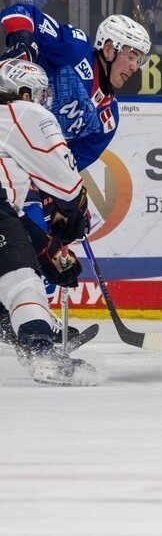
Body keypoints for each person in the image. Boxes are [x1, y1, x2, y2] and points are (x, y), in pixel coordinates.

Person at [0, 58, 96, 386]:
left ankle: (19, 323)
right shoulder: (22, 113)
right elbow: (67, 185)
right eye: (40, 94)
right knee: (21, 282)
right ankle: (39, 349)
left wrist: (45, 248)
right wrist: (73, 214)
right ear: (24, 92)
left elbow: (9, 221)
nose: (43, 102)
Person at [0, 4, 151, 170]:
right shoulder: (75, 50)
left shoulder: (108, 119)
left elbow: (66, 168)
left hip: (21, 167)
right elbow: (22, 12)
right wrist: (23, 43)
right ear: (108, 50)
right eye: (131, 57)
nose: (135, 67)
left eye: (138, 61)